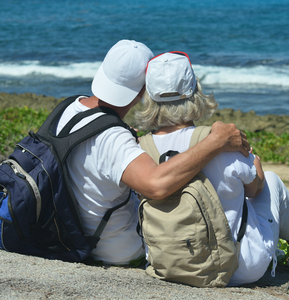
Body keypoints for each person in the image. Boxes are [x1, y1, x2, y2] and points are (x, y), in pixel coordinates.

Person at [53, 40, 250, 265]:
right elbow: (157, 186)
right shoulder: (114, 138)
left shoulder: (69, 107)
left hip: (66, 231)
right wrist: (215, 141)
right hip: (115, 247)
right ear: (144, 91)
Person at [136, 51, 289, 285]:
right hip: (238, 267)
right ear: (195, 92)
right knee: (272, 181)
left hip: (168, 264)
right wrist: (254, 160)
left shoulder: (140, 149)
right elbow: (255, 189)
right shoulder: (220, 141)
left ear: (149, 98)